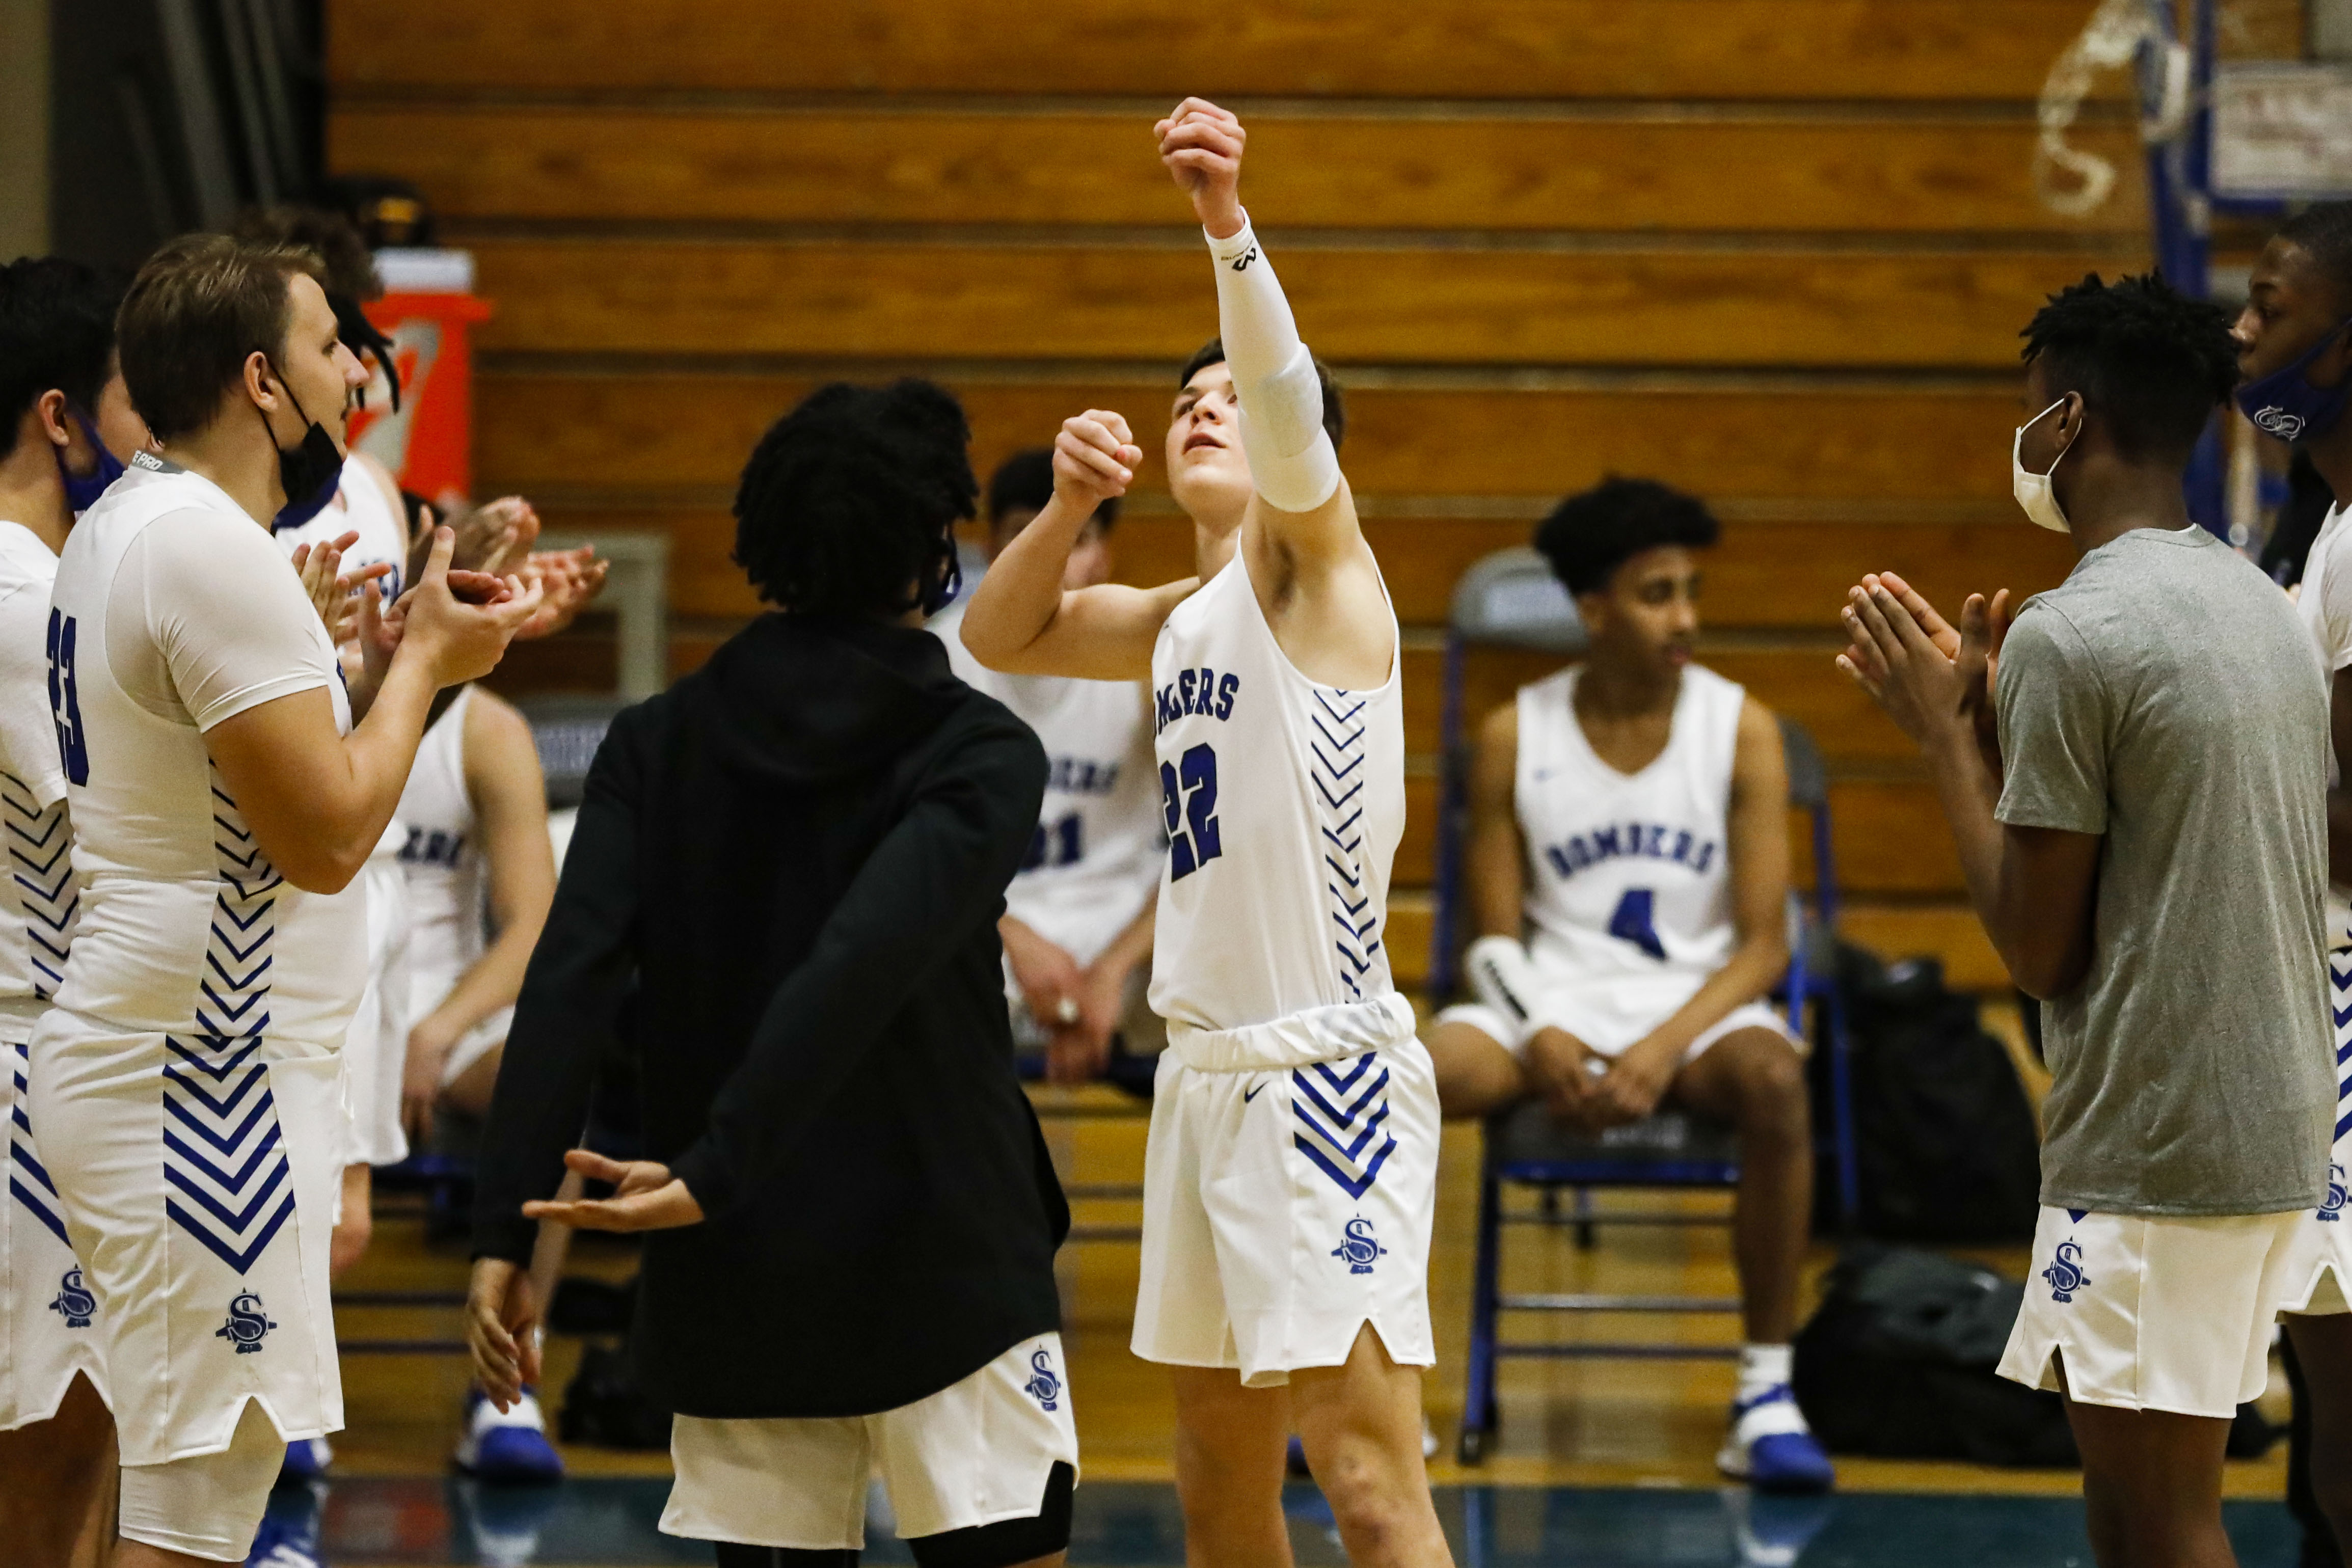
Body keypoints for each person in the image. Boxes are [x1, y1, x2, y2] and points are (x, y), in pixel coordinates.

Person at [465, 379, 1076, 1567]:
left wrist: (507, 1224)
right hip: (942, 1253)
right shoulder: (981, 752)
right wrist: (716, 1166)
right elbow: (865, 958)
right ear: (931, 550)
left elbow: (568, 987)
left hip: (735, 1265)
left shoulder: (654, 742)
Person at [959, 99, 1453, 1568]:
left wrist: (1227, 226)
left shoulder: (1319, 571)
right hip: (1203, 1078)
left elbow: (1286, 401)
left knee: (1365, 1483)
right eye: (1182, 394)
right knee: (1213, 1484)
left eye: (1223, 395)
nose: (1201, 405)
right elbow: (1003, 627)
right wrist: (1064, 500)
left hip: (1329, 1071)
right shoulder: (1175, 619)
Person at [31, 232, 537, 1567]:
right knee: (197, 1513)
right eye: (331, 350)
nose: (357, 380)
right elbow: (322, 842)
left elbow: (257, 798)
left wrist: (374, 674)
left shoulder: (127, 524)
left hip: (157, 1047)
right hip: (205, 1081)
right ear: (262, 379)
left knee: (157, 1488)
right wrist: (430, 658)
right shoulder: (210, 548)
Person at [1841, 271, 2334, 1568]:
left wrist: (1944, 739)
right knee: (2134, 1514)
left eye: (2022, 416)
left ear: (2062, 423)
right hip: (2269, 1116)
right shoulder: (2256, 606)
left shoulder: (2075, 632)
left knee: (2162, 1522)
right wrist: (2005, 725)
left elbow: (2034, 944)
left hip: (2156, 1136)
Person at [1424, 476, 1830, 1492]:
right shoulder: (1516, 733)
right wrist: (1547, 1033)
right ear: (1592, 608)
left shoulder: (1741, 730)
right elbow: (1489, 939)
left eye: (1691, 590)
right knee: (1405, 1078)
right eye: (1657, 594)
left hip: (1692, 1011)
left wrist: (1654, 1050)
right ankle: (1379, 1384)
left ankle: (1765, 1390)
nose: (1685, 618)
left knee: (1778, 1084)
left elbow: (1763, 950)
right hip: (1545, 999)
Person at [0, 255, 150, 1567]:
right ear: (63, 416)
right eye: (131, 396)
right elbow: (137, 820)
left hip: (53, 1054)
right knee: (53, 1487)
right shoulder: (22, 599)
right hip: (28, 1060)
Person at [2230, 200, 2352, 1564]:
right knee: (2323, 1403)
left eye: (2271, 307)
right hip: (2309, 985)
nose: (2243, 332)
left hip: (2339, 989)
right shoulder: (2322, 525)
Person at [934, 449, 1162, 1084]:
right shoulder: (939, 660)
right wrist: (1010, 935)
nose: (1056, 556)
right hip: (975, 932)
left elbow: (1208, 853)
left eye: (1079, 537)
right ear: (990, 545)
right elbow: (898, 841)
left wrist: (1114, 969)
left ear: (1106, 556)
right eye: (1031, 533)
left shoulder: (1150, 668)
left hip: (1128, 951)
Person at [393, 679, 569, 1480]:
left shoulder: (487, 728)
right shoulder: (307, 690)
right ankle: (278, 1387)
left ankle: (506, 1388)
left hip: (447, 1009)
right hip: (320, 1006)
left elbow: (535, 925)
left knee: (553, 1086)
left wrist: (436, 1029)